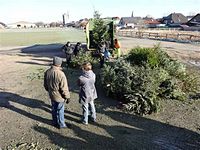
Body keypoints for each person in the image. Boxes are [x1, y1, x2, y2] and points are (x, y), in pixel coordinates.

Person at [44, 56, 70, 129]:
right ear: (59, 64)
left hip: (51, 94)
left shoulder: (47, 72)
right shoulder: (61, 74)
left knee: (54, 109)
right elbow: (64, 88)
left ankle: (54, 122)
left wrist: (49, 90)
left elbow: (45, 84)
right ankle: (62, 124)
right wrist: (67, 97)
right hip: (59, 95)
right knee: (60, 110)